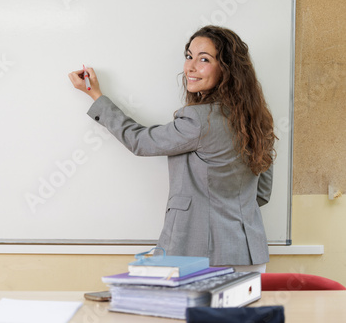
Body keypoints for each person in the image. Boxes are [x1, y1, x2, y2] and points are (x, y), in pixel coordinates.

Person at [68, 25, 276, 273]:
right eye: (189, 56)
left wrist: (96, 95)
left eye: (204, 59)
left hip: (203, 256)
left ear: (227, 69)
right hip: (251, 255)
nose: (190, 67)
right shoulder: (257, 121)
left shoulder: (199, 120)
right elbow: (261, 194)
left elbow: (140, 141)